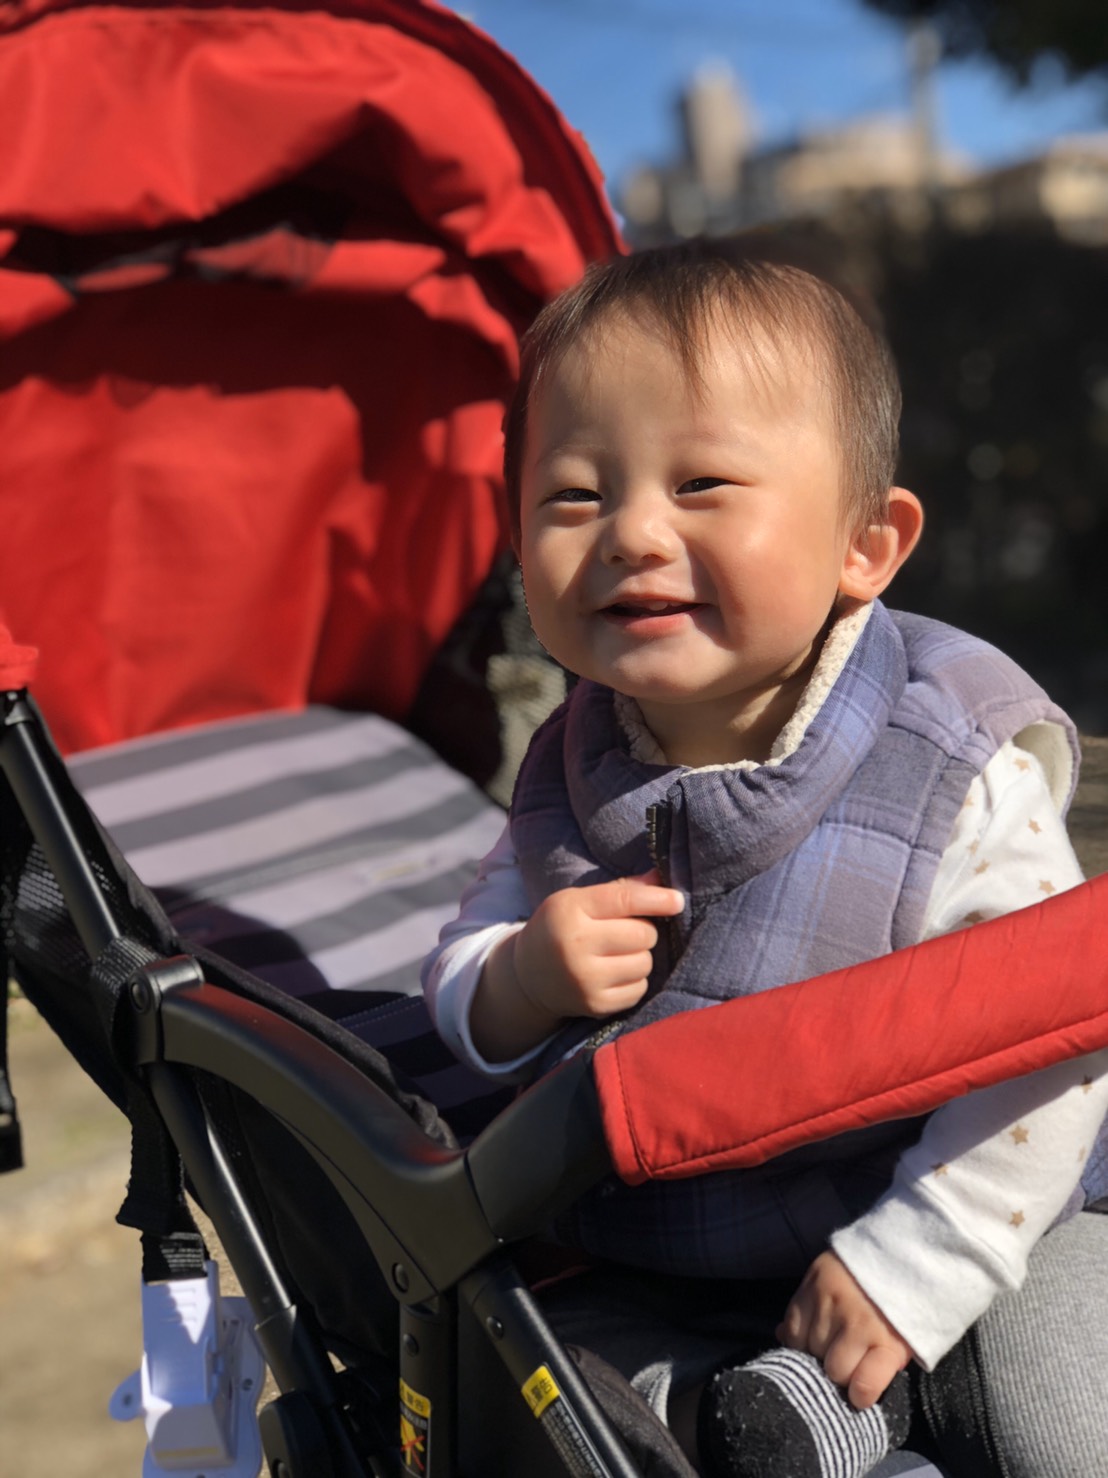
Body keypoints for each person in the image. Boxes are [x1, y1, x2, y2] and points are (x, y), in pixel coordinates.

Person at [422, 237, 1108, 1478]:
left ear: (865, 544)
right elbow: (460, 965)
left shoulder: (952, 764)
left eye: (701, 484)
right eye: (572, 495)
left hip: (972, 1201)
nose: (631, 530)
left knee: (1065, 1415)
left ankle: (877, 1394)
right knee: (538, 1393)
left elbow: (1054, 1048)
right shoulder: (568, 767)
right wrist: (518, 974)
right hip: (673, 1255)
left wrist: (907, 1271)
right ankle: (788, 1421)